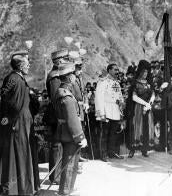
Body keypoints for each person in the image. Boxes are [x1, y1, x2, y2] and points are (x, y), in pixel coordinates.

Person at [0, 50, 35, 195]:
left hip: (22, 122)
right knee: (16, 155)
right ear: (20, 66)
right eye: (27, 64)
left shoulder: (20, 78)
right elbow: (4, 97)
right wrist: (6, 116)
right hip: (16, 123)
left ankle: (24, 189)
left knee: (22, 154)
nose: (29, 66)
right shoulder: (13, 78)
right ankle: (13, 190)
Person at [53, 60, 87, 195]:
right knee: (70, 163)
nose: (75, 76)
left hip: (64, 131)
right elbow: (72, 119)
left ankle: (66, 188)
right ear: (68, 77)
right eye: (73, 73)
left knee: (68, 162)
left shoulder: (60, 91)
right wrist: (80, 137)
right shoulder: (66, 96)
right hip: (70, 133)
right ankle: (66, 191)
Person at [45, 49, 69, 184]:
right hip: (56, 115)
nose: (67, 61)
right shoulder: (54, 76)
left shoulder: (59, 74)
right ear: (59, 61)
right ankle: (55, 176)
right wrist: (61, 116)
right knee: (57, 145)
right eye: (65, 59)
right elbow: (56, 98)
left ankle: (58, 173)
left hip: (60, 114)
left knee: (60, 144)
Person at [95, 63, 125, 160]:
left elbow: (120, 96)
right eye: (115, 70)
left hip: (115, 111)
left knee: (114, 134)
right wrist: (101, 114)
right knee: (104, 134)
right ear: (109, 70)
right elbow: (99, 98)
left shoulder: (117, 83)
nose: (117, 72)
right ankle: (103, 154)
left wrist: (121, 103)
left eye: (117, 70)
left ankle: (112, 152)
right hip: (106, 111)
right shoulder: (103, 82)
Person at [126, 60, 155, 158]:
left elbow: (153, 95)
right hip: (137, 108)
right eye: (144, 72)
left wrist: (149, 104)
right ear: (140, 72)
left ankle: (145, 149)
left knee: (147, 128)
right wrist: (145, 104)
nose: (146, 74)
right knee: (136, 127)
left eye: (147, 72)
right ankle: (132, 150)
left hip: (148, 109)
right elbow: (134, 97)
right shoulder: (135, 83)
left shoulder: (149, 83)